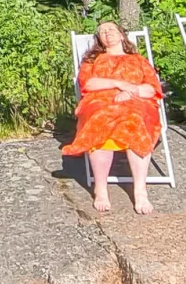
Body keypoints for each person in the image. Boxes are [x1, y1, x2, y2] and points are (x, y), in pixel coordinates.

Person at [62, 20, 164, 215]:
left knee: (134, 118)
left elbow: (152, 88)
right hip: (100, 100)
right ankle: (101, 189)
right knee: (101, 116)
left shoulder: (138, 60)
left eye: (111, 29)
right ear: (99, 39)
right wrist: (119, 84)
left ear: (122, 34)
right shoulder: (93, 60)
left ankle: (140, 191)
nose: (107, 33)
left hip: (137, 100)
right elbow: (89, 85)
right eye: (102, 32)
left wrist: (131, 91)